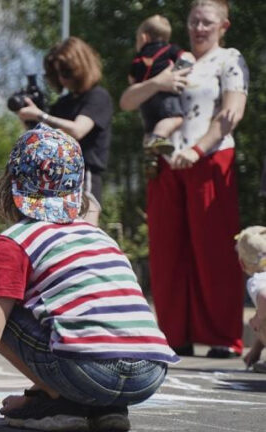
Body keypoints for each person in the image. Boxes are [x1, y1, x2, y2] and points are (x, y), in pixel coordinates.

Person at [0, 126, 178, 432]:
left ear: (12, 181)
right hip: (149, 374)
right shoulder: (99, 236)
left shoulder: (15, 240)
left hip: (91, 373)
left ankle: (64, 400)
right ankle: (103, 407)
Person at [119, 0, 248, 358]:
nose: (199, 28)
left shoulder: (230, 59)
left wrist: (197, 149)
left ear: (223, 26)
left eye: (207, 22)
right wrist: (157, 81)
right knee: (167, 252)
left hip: (209, 159)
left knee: (214, 251)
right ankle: (173, 334)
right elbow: (129, 100)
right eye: (194, 21)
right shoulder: (174, 59)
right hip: (164, 163)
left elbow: (232, 110)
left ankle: (223, 337)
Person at [13, 37, 113, 223]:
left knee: (84, 231)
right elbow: (41, 139)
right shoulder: (62, 104)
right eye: (56, 73)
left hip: (84, 174)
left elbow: (78, 130)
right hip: (54, 176)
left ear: (80, 67)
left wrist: (40, 115)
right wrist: (28, 120)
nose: (61, 79)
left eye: (65, 72)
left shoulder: (97, 97)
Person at [129, 15, 196, 164]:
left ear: (144, 37)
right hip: (165, 96)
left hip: (145, 99)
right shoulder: (170, 49)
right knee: (174, 119)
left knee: (149, 127)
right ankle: (158, 138)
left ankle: (150, 158)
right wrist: (179, 73)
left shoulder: (138, 57)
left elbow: (131, 80)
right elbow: (186, 57)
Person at [235, 226, 266, 373]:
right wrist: (255, 350)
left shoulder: (258, 279)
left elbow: (264, 297)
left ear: (242, 263)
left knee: (257, 320)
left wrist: (258, 319)